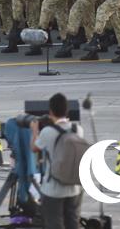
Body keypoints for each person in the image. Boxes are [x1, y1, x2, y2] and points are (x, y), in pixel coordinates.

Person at [31, 93, 83, 229]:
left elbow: (34, 148)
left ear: (50, 111)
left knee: (55, 224)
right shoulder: (78, 129)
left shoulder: (47, 132)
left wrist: (35, 130)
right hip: (74, 187)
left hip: (53, 188)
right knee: (72, 223)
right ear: (67, 111)